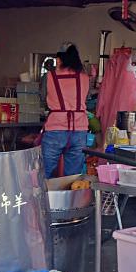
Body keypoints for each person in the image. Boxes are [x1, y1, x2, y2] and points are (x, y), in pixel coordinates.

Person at [42, 43, 90, 178]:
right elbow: (85, 98)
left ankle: (47, 199)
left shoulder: (49, 77)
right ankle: (69, 199)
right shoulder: (85, 78)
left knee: (46, 174)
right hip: (79, 130)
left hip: (55, 129)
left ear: (60, 59)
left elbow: (42, 99)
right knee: (73, 177)